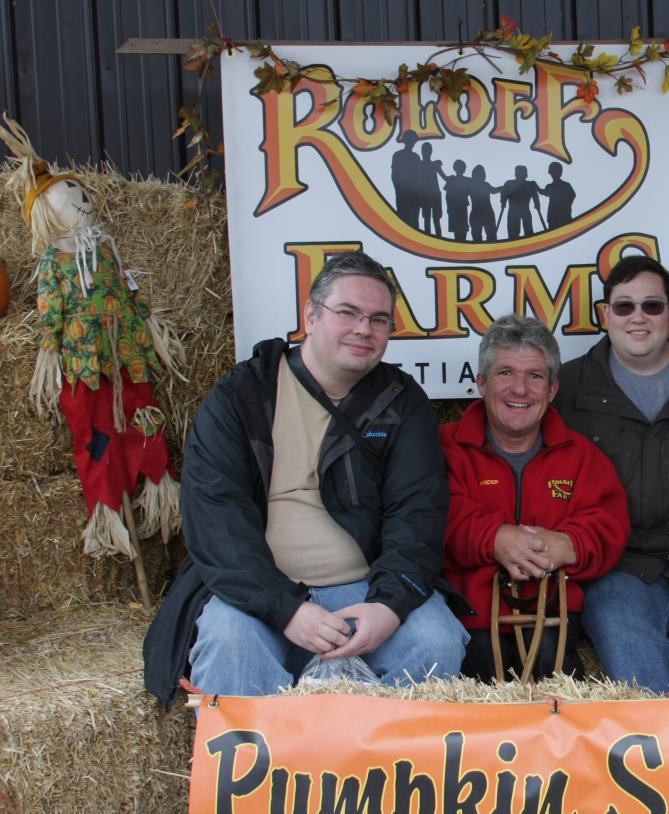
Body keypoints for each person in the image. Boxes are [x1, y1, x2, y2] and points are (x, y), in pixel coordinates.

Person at [142, 251, 468, 704]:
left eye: (378, 320)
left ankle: (381, 772)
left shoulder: (401, 401)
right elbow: (216, 518)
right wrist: (287, 609)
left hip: (365, 588)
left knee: (437, 640)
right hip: (259, 592)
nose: (363, 329)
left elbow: (418, 512)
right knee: (230, 643)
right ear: (310, 316)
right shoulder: (241, 397)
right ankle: (263, 773)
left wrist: (389, 606)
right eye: (347, 313)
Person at [556, 256, 669, 693]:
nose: (637, 317)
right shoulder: (570, 387)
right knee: (634, 668)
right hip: (619, 560)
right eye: (623, 307)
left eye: (652, 306)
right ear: (605, 315)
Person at [441, 314, 629, 680]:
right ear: (481, 382)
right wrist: (494, 538)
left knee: (555, 685)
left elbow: (609, 521)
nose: (521, 389)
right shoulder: (446, 447)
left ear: (553, 389)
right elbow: (437, 513)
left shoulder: (581, 456)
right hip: (470, 619)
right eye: (506, 373)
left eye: (535, 376)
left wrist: (569, 544)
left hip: (553, 620)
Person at [499, 165, 543, 239]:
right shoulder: (510, 184)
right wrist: (503, 201)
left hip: (524, 209)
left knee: (528, 230)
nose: (522, 174)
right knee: (513, 232)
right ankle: (514, 240)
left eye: (523, 172)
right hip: (514, 211)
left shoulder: (530, 184)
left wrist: (537, 204)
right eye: (520, 172)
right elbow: (503, 193)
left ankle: (528, 239)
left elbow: (535, 196)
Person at [539, 162, 575, 228]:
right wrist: (536, 187)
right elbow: (544, 192)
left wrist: (566, 206)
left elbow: (572, 195)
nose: (553, 174)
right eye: (553, 172)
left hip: (564, 215)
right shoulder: (550, 186)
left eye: (555, 172)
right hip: (553, 216)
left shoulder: (565, 185)